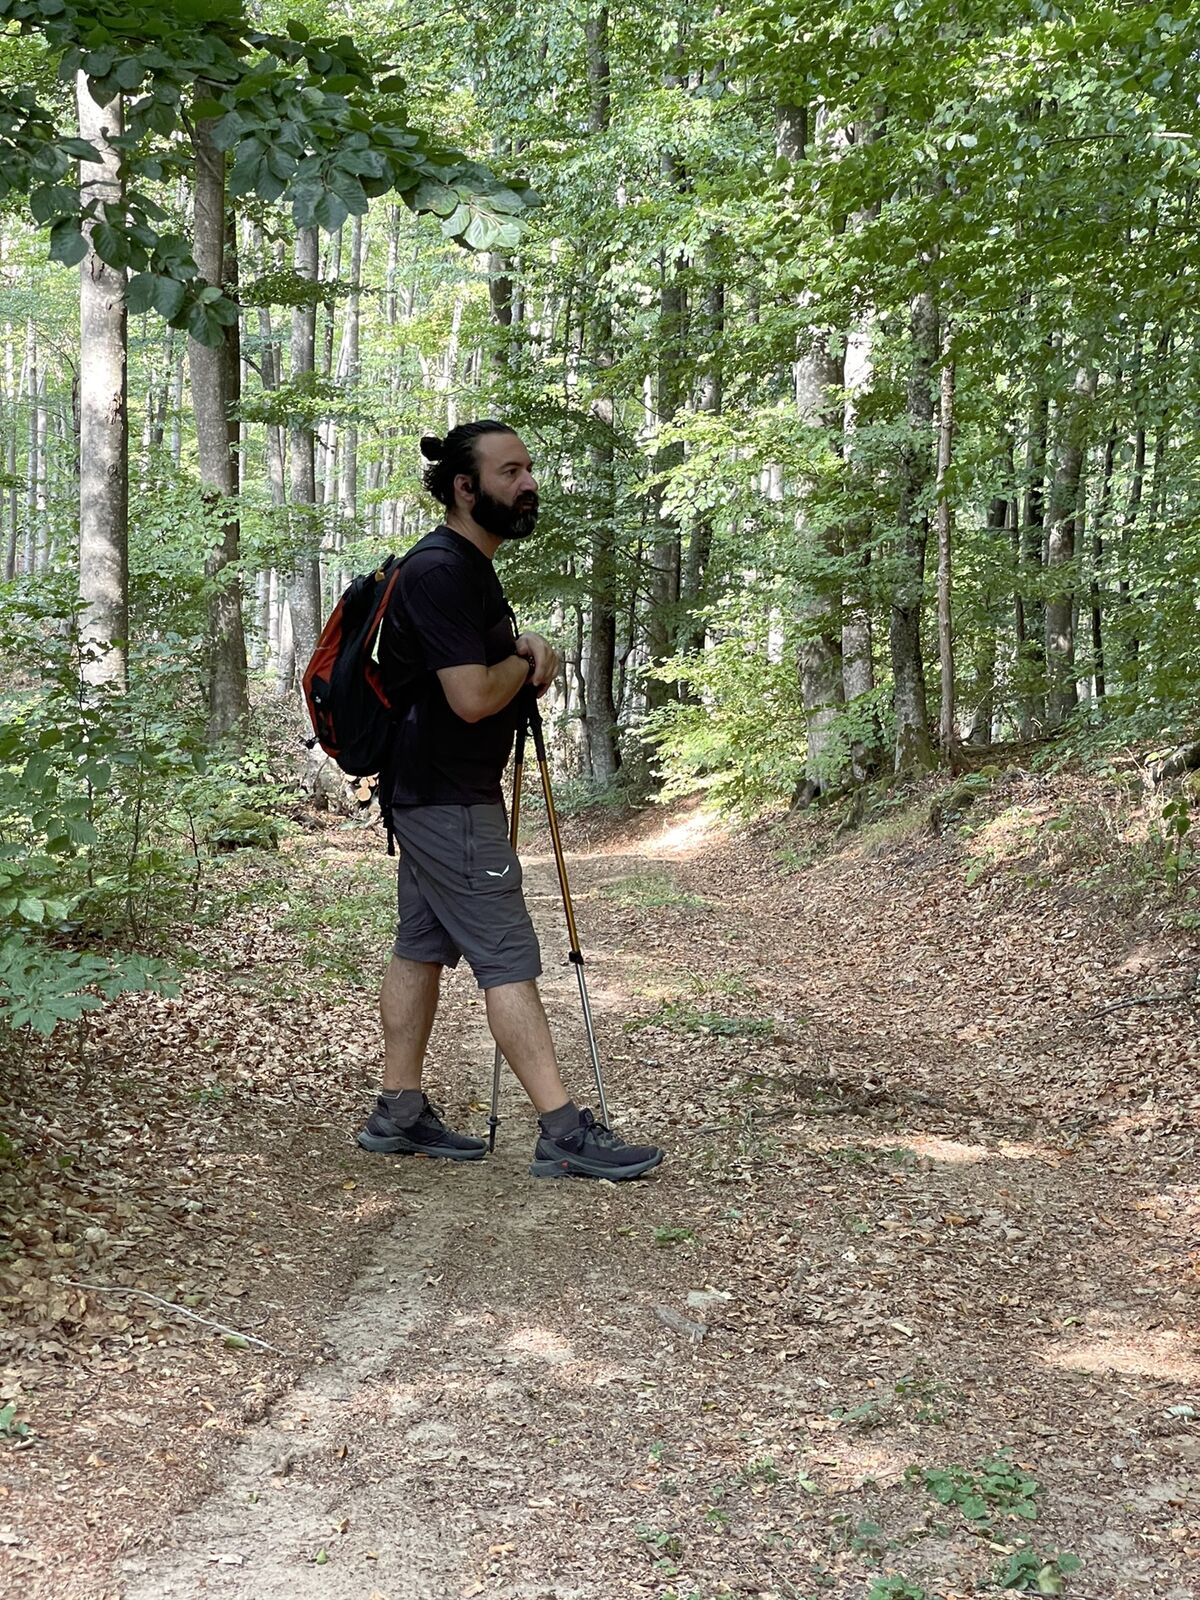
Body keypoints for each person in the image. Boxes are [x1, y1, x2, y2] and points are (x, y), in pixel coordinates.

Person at [356, 420, 664, 1182]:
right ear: (465, 488)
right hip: (450, 801)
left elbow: (464, 675)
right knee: (507, 957)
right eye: (510, 472)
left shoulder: (463, 567)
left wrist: (519, 655)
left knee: (420, 944)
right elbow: (469, 696)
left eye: (529, 469)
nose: (528, 484)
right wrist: (526, 663)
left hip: (430, 792)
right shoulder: (441, 572)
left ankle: (398, 1109)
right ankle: (562, 1130)